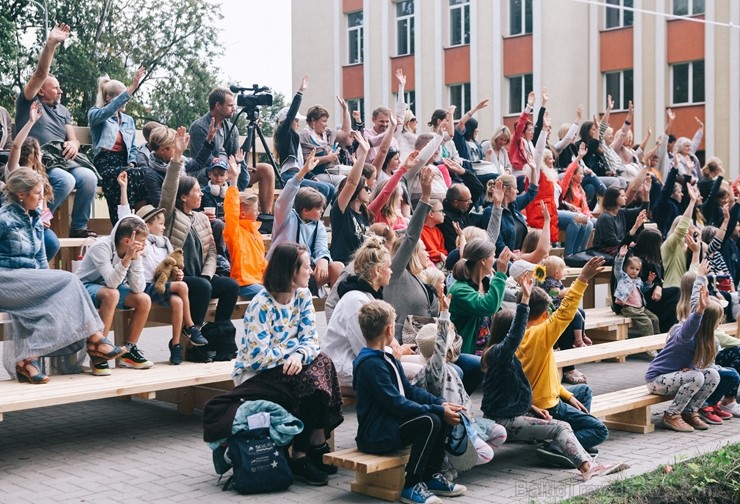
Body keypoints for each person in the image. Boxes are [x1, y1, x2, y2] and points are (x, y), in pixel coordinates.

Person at [480, 273, 625, 480]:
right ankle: (586, 466)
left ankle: (578, 455)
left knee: (577, 399)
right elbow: (514, 338)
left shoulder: (504, 358)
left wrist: (532, 407)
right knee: (561, 426)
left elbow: (509, 393)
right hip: (503, 421)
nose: (523, 334)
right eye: (518, 331)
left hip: (513, 413)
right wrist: (524, 301)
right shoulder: (497, 354)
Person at [0, 168, 126, 383]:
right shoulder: (3, 219)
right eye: (38, 193)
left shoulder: (36, 220)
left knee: (61, 297)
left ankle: (30, 359)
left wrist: (48, 287)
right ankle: (95, 339)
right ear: (21, 194)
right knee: (69, 279)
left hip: (28, 281)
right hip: (6, 280)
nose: (42, 198)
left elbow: (41, 262)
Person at [232, 242, 343, 486]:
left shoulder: (302, 295)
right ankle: (306, 451)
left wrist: (298, 355)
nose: (312, 271)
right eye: (306, 266)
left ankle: (312, 443)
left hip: (290, 366)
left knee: (321, 363)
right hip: (256, 374)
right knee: (309, 377)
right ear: (290, 271)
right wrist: (293, 352)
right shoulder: (261, 305)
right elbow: (258, 357)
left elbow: (312, 340)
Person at [353, 300, 468, 504]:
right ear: (389, 329)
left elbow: (409, 390)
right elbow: (396, 403)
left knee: (440, 413)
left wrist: (440, 403)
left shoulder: (386, 357)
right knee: (431, 420)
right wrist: (436, 410)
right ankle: (411, 484)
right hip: (376, 434)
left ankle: (431, 477)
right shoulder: (370, 364)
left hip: (390, 425)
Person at [160, 127, 239, 360]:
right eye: (196, 191)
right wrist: (177, 158)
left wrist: (207, 274)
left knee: (229, 286)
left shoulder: (203, 218)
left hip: (200, 276)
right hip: (179, 277)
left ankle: (220, 339)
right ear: (184, 196)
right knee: (203, 288)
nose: (201, 194)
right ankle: (195, 343)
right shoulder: (170, 214)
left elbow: (213, 252)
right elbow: (169, 190)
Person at [516, 257, 610, 454]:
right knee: (599, 430)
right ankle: (561, 446)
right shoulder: (539, 335)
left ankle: (566, 435)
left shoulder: (514, 335)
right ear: (544, 316)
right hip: (547, 406)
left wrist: (567, 394)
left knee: (583, 391)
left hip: (537, 397)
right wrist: (583, 278)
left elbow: (543, 378)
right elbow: (565, 312)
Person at [14, 23, 98, 238]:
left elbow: (72, 138)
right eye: (55, 87)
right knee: (65, 180)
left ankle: (78, 227)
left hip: (64, 159)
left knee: (88, 177)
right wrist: (51, 44)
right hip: (40, 161)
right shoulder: (29, 101)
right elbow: (41, 73)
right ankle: (39, 219)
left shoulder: (63, 110)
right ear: (42, 91)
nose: (60, 90)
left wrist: (74, 143)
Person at [116, 172, 207, 365]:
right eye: (159, 224)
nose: (164, 227)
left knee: (178, 302)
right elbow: (125, 218)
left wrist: (178, 273)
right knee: (182, 288)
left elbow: (172, 263)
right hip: (148, 286)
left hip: (163, 284)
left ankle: (175, 344)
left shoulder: (165, 242)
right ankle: (190, 326)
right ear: (147, 226)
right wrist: (124, 189)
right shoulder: (141, 242)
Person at [412, 295, 508, 469]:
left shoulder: (449, 368)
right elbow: (439, 348)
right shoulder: (434, 371)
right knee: (487, 454)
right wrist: (444, 313)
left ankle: (461, 457)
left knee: (500, 433)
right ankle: (449, 462)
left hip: (468, 421)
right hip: (454, 426)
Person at [75, 213, 154, 373]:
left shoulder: (132, 252)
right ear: (127, 241)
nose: (144, 245)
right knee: (112, 294)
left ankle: (129, 351)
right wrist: (127, 259)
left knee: (144, 299)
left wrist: (135, 259)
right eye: (142, 241)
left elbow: (138, 288)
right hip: (84, 287)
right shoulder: (101, 247)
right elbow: (111, 282)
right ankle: (99, 351)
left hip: (109, 287)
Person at [645, 283, 721, 432]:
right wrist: (699, 310)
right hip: (657, 379)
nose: (721, 322)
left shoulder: (709, 340)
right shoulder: (684, 335)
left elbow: (706, 366)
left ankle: (689, 412)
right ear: (710, 322)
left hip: (678, 377)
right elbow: (688, 330)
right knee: (696, 377)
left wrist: (694, 369)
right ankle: (671, 415)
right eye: (719, 319)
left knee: (713, 374)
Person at [189, 87, 275, 216]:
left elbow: (236, 154)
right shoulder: (199, 127)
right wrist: (228, 167)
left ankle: (266, 216)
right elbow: (203, 160)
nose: (234, 108)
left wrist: (250, 141)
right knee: (228, 170)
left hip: (229, 172)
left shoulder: (231, 128)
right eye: (230, 105)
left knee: (266, 169)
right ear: (218, 105)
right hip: (208, 173)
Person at [268, 150, 343, 292]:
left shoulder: (318, 225)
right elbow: (285, 198)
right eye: (319, 208)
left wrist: (323, 260)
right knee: (300, 270)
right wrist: (303, 172)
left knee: (337, 267)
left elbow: (321, 247)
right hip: (283, 272)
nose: (322, 211)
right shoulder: (286, 218)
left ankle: (334, 310)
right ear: (305, 210)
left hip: (305, 272)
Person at [88, 67, 148, 224]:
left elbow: (133, 147)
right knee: (122, 177)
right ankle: (120, 224)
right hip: (105, 163)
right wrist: (132, 87)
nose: (126, 101)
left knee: (143, 173)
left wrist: (132, 162)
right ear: (108, 98)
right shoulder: (96, 114)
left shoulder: (128, 120)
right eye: (122, 97)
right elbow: (107, 111)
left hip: (124, 162)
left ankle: (140, 221)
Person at [448, 240, 508, 394]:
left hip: (486, 346)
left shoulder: (485, 283)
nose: (495, 261)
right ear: (483, 261)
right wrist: (501, 274)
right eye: (493, 257)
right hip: (466, 351)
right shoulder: (460, 289)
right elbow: (487, 306)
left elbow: (498, 311)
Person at [6, 100, 59, 260]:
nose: (41, 156)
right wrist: (31, 121)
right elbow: (15, 146)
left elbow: (43, 205)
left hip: (36, 222)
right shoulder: (16, 172)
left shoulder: (40, 178)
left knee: (52, 243)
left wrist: (46, 220)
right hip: (18, 221)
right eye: (38, 152)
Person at [273, 74, 336, 202]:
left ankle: (314, 218)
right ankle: (308, 217)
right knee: (323, 189)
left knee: (330, 188)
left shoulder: (295, 138)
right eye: (296, 120)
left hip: (298, 174)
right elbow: (290, 114)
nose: (298, 123)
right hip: (290, 177)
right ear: (288, 121)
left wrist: (312, 177)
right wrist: (300, 92)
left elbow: (300, 165)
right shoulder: (283, 134)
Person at [542, 255, 591, 384]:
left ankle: (582, 335)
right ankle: (578, 340)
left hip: (560, 309)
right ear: (556, 273)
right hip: (553, 311)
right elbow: (559, 294)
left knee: (580, 312)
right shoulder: (550, 282)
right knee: (573, 314)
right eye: (563, 270)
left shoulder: (556, 281)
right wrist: (575, 287)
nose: (564, 272)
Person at [222, 170, 267, 299]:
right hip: (243, 282)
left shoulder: (256, 234)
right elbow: (231, 210)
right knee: (267, 296)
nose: (258, 213)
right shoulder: (235, 231)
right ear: (242, 214)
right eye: (255, 210)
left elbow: (262, 263)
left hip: (259, 281)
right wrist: (234, 180)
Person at [327, 132, 372, 265]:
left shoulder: (365, 214)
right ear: (357, 191)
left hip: (362, 268)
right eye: (366, 188)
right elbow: (352, 182)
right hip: (344, 267)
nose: (369, 191)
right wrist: (363, 154)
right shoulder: (341, 211)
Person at [144, 125, 215, 206]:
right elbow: (161, 205)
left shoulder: (181, 162)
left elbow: (198, 163)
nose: (179, 149)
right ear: (163, 150)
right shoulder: (151, 175)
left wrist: (208, 141)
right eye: (175, 147)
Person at [299, 97, 353, 189]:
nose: (326, 124)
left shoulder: (327, 133)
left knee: (355, 177)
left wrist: (345, 110)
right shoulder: (304, 136)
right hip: (315, 175)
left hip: (332, 171)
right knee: (343, 181)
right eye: (324, 121)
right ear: (313, 121)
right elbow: (306, 160)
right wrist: (327, 158)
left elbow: (345, 132)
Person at [558, 143, 596, 256]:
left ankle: (581, 252)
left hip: (582, 215)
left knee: (594, 223)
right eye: (580, 173)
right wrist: (579, 157)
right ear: (574, 176)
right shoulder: (565, 187)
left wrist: (588, 215)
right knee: (587, 223)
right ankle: (573, 253)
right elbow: (567, 174)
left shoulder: (580, 189)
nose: (583, 176)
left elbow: (585, 208)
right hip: (569, 213)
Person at [593, 185, 649, 256]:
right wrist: (629, 243)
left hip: (620, 245)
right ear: (613, 198)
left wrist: (646, 193)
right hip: (605, 250)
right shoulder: (605, 218)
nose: (625, 198)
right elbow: (612, 241)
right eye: (622, 196)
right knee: (631, 252)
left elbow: (642, 210)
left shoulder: (621, 212)